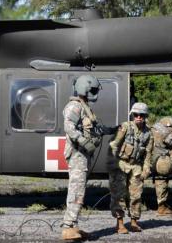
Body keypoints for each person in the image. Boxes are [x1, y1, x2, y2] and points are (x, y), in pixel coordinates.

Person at [61, 75, 102, 240]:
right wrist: (85, 142)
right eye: (92, 90)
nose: (94, 93)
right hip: (78, 154)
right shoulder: (74, 106)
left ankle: (73, 225)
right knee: (76, 190)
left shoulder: (85, 107)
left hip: (83, 156)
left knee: (80, 191)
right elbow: (69, 128)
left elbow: (91, 128)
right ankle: (67, 227)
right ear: (85, 88)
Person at [109, 102, 154, 234]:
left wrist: (146, 169)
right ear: (132, 115)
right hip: (121, 164)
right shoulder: (125, 127)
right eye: (136, 114)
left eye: (141, 115)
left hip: (136, 166)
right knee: (119, 195)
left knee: (136, 195)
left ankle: (134, 221)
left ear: (145, 116)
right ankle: (120, 223)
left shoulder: (149, 133)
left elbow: (148, 153)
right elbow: (114, 145)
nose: (138, 117)